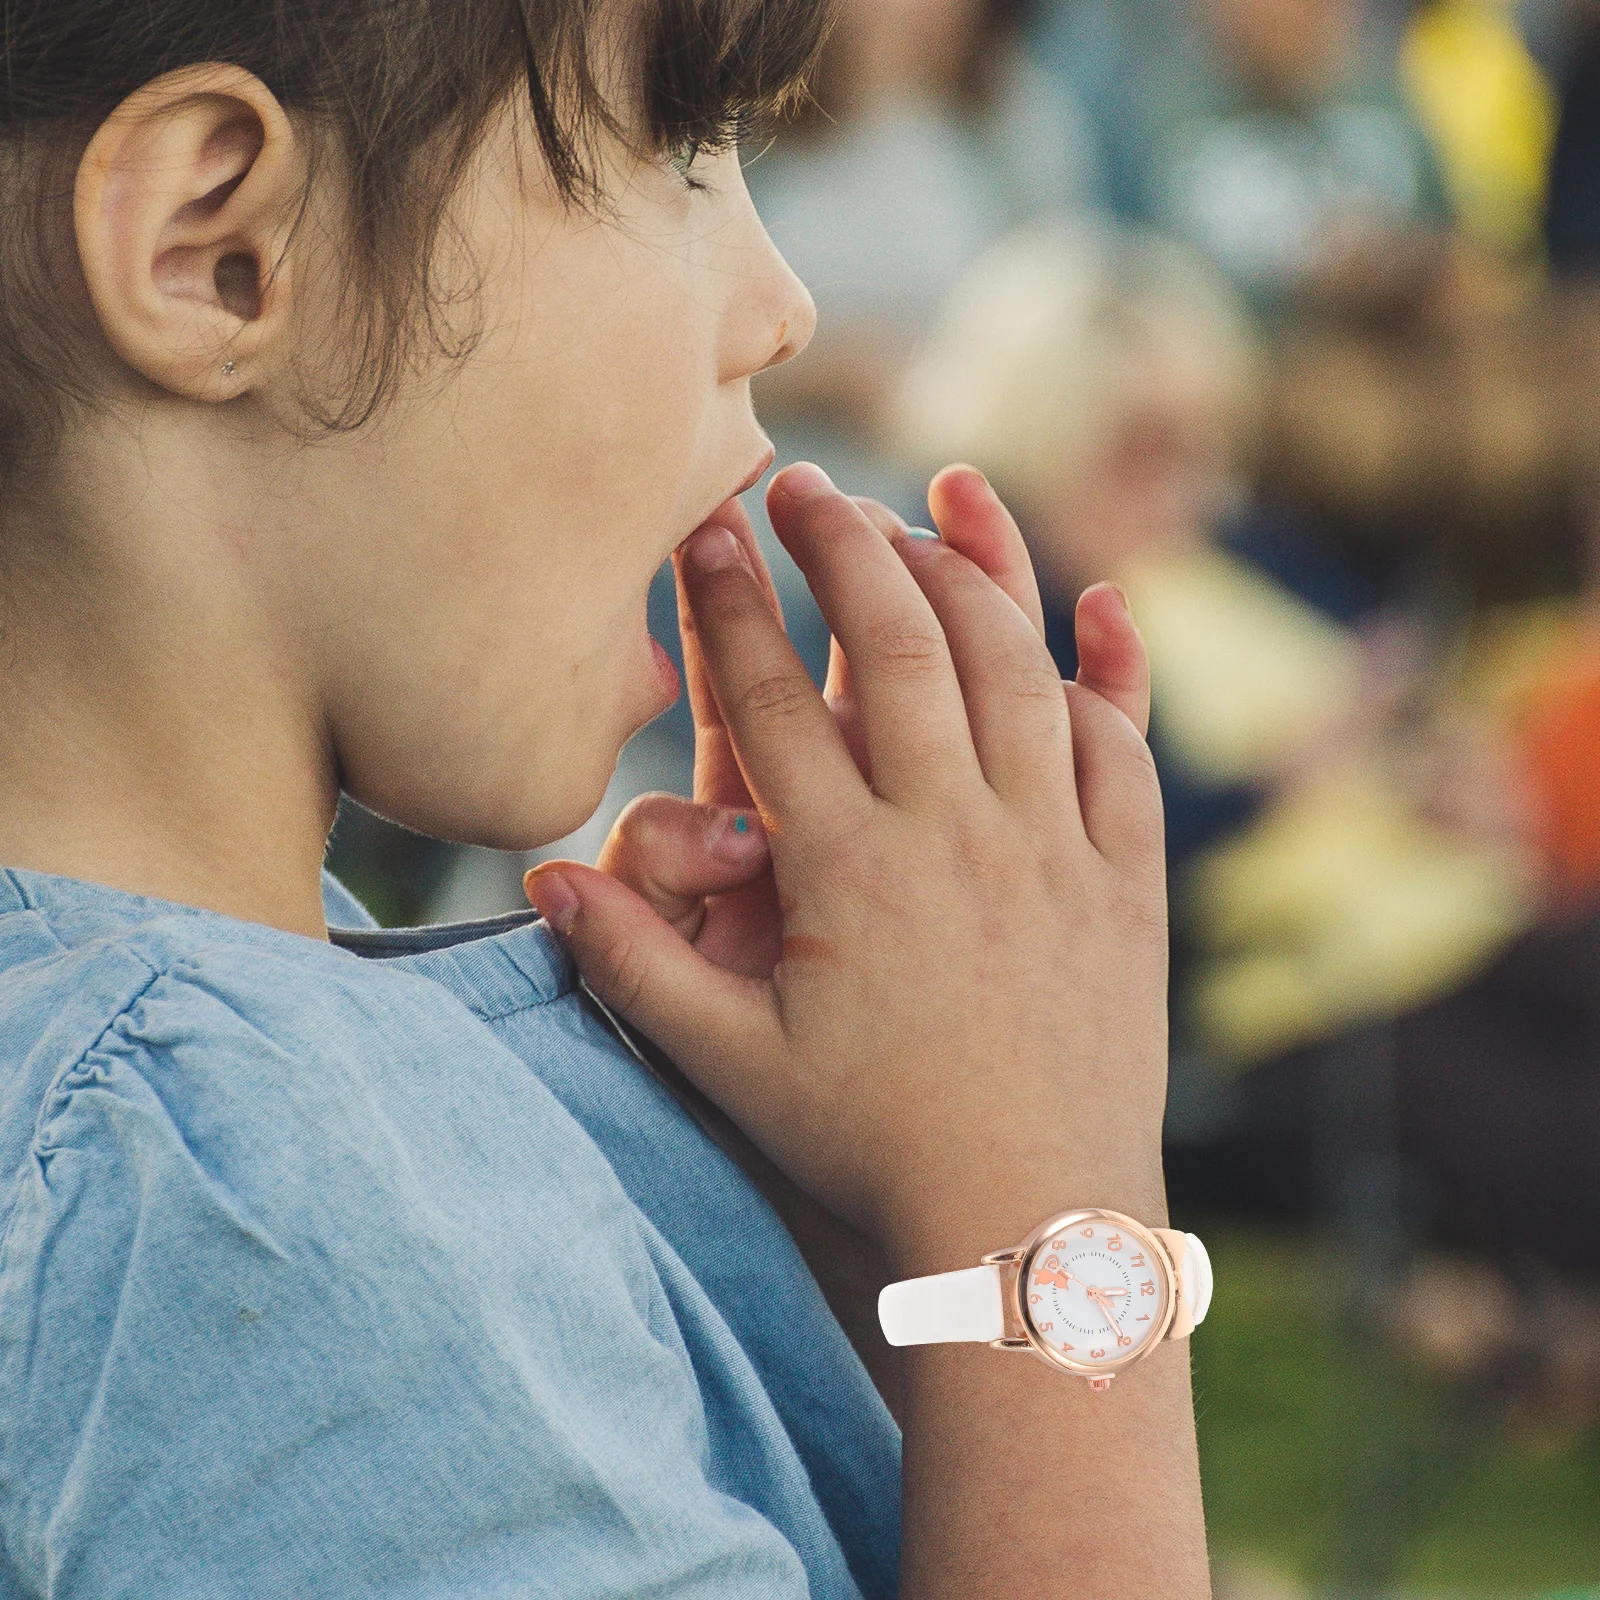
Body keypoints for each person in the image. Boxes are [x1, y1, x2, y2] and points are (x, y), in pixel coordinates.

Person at [0, 2, 1210, 1597]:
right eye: (679, 152)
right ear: (216, 252)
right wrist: (1054, 1217)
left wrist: (830, 1246)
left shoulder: (203, 1067)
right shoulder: (251, 1208)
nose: (783, 308)